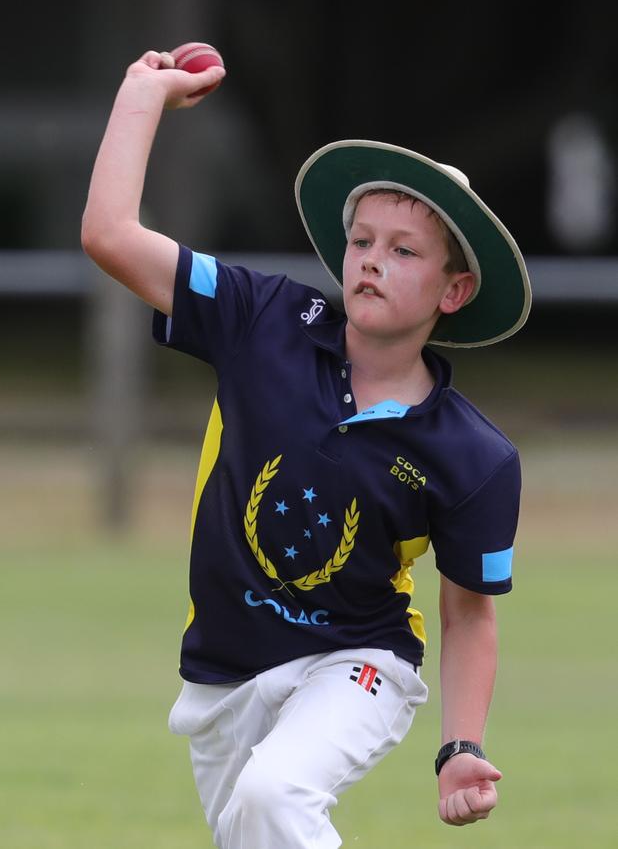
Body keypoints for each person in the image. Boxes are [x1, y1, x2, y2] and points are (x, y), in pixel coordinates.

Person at [82, 47, 532, 848]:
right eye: (363, 241)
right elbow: (111, 235)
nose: (371, 262)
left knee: (272, 794)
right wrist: (141, 95)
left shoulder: (475, 457)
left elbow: (467, 615)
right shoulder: (263, 320)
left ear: (452, 290)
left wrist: (461, 748)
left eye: (403, 251)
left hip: (360, 661)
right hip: (222, 674)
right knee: (254, 818)